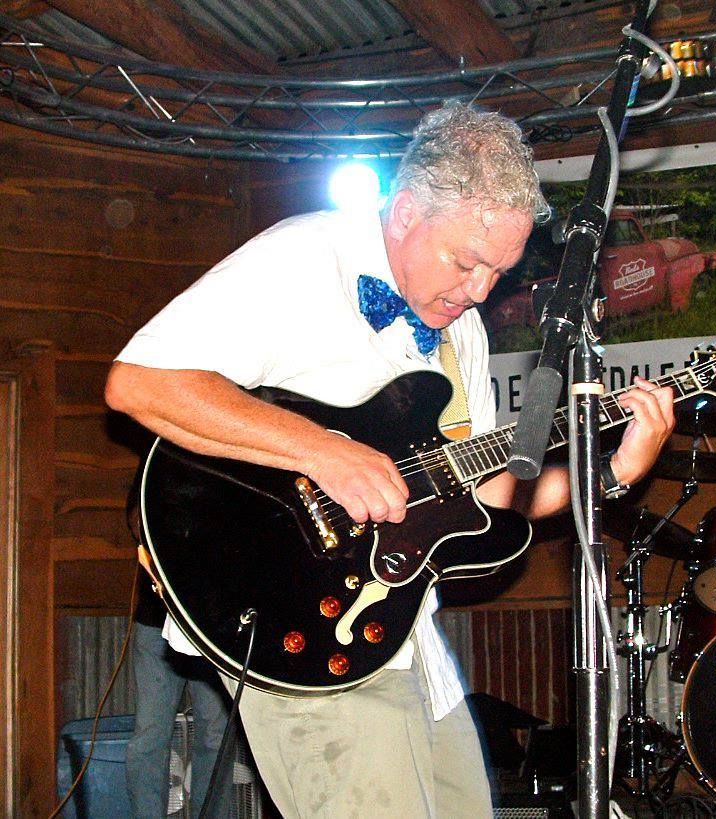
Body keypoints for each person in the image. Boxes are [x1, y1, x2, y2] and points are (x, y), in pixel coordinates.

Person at [105, 102, 674, 819]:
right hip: (302, 624)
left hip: (405, 635)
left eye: (495, 273)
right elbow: (141, 383)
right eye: (466, 261)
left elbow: (494, 496)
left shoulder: (459, 331)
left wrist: (615, 471)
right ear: (405, 211)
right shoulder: (305, 257)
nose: (476, 292)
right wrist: (325, 451)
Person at [126, 491, 235, 818]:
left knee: (215, 737)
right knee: (149, 737)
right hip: (156, 622)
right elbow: (135, 520)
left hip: (211, 627)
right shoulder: (159, 454)